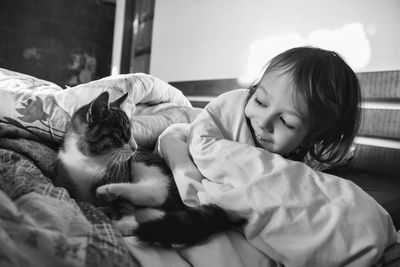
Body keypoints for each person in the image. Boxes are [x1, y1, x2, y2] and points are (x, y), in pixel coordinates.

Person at [155, 46, 397, 266]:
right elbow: (202, 141)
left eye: (286, 122)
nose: (263, 121)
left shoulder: (300, 161)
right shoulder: (234, 108)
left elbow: (287, 194)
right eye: (260, 101)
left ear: (312, 137)